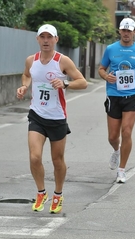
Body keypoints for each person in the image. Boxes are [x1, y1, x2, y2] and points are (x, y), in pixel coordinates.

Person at [16, 24, 87, 213]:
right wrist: (24, 86)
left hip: (57, 117)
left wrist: (65, 84)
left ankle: (58, 194)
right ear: (37, 39)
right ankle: (41, 192)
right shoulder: (31, 60)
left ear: (56, 40)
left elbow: (83, 82)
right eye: (43, 37)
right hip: (37, 115)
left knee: (57, 160)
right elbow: (26, 75)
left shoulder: (62, 61)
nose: (46, 40)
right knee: (34, 156)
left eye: (50, 37)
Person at [98, 18, 135, 183]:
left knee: (127, 131)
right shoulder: (110, 49)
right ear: (120, 31)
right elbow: (101, 68)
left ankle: (122, 170)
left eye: (129, 31)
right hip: (114, 95)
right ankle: (116, 150)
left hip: (133, 95)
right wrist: (105, 76)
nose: (126, 33)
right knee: (113, 136)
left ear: (134, 32)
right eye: (124, 30)